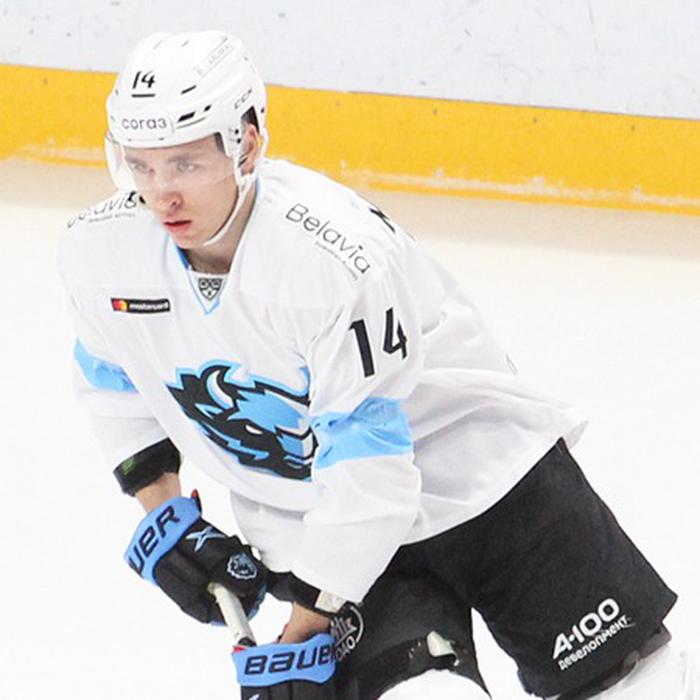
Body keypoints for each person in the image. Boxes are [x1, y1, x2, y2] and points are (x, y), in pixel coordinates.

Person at [58, 30, 694, 700]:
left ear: (246, 144)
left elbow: (373, 476)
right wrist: (164, 515)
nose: (161, 195)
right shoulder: (101, 255)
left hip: (487, 482)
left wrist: (299, 633)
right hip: (327, 533)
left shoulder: (329, 260)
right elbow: (113, 380)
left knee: (635, 685)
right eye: (140, 166)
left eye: (185, 164)